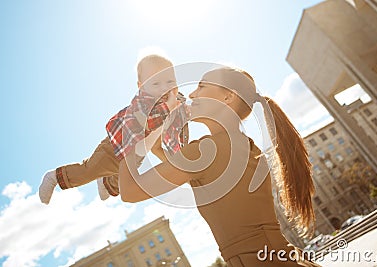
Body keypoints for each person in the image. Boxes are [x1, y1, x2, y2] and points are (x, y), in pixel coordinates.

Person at [118, 67, 320, 266]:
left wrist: (129, 133)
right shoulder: (240, 145)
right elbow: (202, 182)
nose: (191, 94)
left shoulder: (209, 149)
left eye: (202, 86)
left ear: (228, 97)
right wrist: (156, 148)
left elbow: (130, 191)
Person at [39, 54, 189, 204]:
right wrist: (168, 107)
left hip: (136, 154)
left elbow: (168, 135)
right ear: (141, 86)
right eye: (156, 84)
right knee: (89, 170)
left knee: (119, 184)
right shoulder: (143, 102)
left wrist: (185, 112)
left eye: (170, 81)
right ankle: (54, 177)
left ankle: (105, 182)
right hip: (114, 146)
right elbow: (146, 122)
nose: (164, 87)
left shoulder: (174, 102)